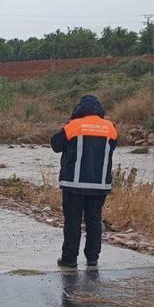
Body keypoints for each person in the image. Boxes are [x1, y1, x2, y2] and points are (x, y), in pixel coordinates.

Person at [51, 95, 118, 269]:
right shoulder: (110, 128)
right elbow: (112, 147)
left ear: (79, 109)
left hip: (74, 184)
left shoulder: (74, 126)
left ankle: (69, 259)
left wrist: (67, 125)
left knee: (73, 221)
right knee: (94, 221)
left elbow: (56, 145)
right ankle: (93, 258)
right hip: (99, 184)